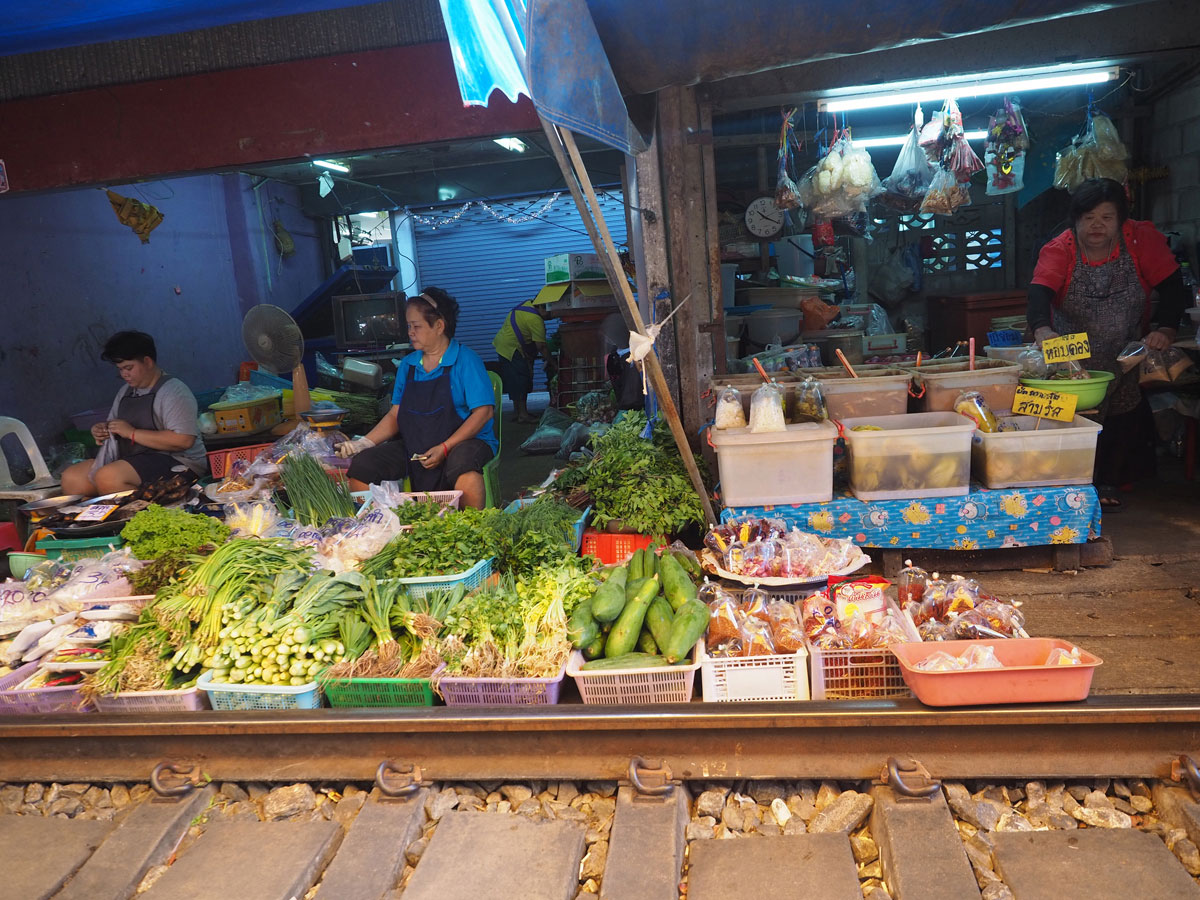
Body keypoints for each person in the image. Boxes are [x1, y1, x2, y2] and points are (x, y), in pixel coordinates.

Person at [1027, 177, 1188, 509]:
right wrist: (1042, 329)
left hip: (1126, 351)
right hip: (1072, 357)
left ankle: (1109, 482)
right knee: (1078, 417)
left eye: (1106, 217)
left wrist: (1167, 329)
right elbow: (1039, 292)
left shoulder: (1141, 239)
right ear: (1075, 221)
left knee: (1122, 414)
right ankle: (1078, 483)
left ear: (1121, 220)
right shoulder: (1060, 249)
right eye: (1088, 218)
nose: (1097, 225)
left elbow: (1173, 287)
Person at [337, 287, 497, 508]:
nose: (410, 332)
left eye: (417, 326)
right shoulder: (409, 365)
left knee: (464, 467)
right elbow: (396, 414)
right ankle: (382, 529)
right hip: (416, 445)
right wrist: (363, 443)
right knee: (363, 466)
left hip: (464, 442)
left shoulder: (466, 361)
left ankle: (474, 529)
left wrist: (445, 447)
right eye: (409, 326)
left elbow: (484, 413)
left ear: (439, 326)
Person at [60, 331, 208, 497]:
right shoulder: (125, 392)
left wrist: (131, 433)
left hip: (180, 462)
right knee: (72, 478)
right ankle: (95, 521)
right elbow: (114, 426)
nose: (124, 374)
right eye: (120, 369)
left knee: (109, 477)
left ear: (147, 361)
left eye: (128, 368)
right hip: (135, 458)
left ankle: (144, 518)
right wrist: (102, 430)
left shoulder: (174, 391)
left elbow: (183, 440)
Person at [492, 298, 555, 423]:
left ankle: (518, 412)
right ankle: (523, 415)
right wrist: (554, 363)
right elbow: (541, 346)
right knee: (521, 379)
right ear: (542, 308)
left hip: (502, 345)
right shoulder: (535, 319)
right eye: (550, 312)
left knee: (514, 379)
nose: (551, 316)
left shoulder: (527, 304)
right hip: (512, 348)